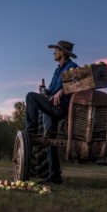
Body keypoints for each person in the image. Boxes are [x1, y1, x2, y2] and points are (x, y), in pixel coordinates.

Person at [25, 40, 78, 183]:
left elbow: (78, 83)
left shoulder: (72, 68)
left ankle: (30, 132)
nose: (54, 53)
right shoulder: (57, 70)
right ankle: (55, 176)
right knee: (50, 140)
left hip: (62, 107)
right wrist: (45, 92)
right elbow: (52, 92)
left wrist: (63, 90)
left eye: (55, 50)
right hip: (52, 106)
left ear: (62, 52)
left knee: (30, 96)